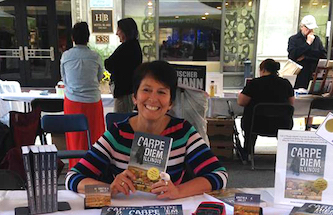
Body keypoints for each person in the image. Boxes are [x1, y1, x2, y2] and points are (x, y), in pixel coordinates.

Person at [65, 61, 228, 199]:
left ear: (171, 102)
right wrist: (109, 189)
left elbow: (219, 175)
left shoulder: (182, 132)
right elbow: (72, 178)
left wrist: (178, 191)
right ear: (134, 97)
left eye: (162, 92)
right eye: (146, 90)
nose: (153, 98)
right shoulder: (118, 134)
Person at [60, 21, 106, 168]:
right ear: (88, 37)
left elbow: (64, 79)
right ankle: (95, 167)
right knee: (95, 136)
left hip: (73, 101)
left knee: (75, 137)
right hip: (93, 101)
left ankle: (75, 167)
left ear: (73, 38)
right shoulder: (95, 56)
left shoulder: (66, 56)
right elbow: (100, 77)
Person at [237, 58, 294, 156]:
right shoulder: (285, 83)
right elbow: (291, 103)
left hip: (256, 124)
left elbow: (241, 102)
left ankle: (248, 152)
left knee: (249, 119)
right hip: (281, 124)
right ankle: (284, 155)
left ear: (263, 70)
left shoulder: (254, 83)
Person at [104, 18, 142, 113]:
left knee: (121, 120)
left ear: (125, 31)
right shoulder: (134, 46)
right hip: (128, 91)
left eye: (119, 30)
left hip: (124, 93)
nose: (117, 33)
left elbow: (108, 63)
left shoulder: (126, 48)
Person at [288, 15, 327, 90]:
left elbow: (322, 56)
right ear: (301, 27)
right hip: (299, 75)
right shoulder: (294, 39)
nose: (310, 30)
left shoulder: (317, 40)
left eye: (311, 28)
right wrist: (307, 43)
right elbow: (292, 56)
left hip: (313, 73)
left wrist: (305, 57)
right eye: (308, 28)